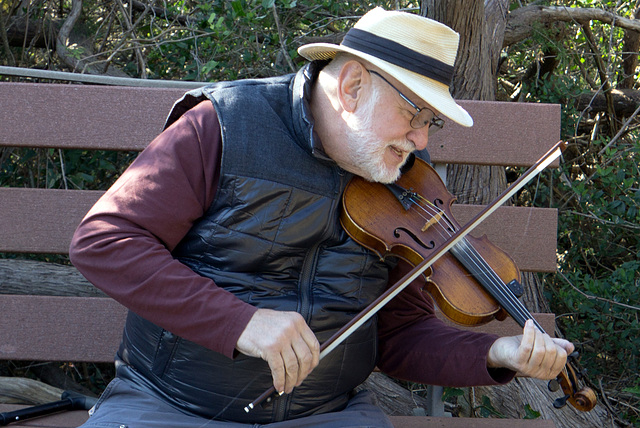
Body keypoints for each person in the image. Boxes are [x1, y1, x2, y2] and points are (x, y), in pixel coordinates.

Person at [69, 7, 573, 428]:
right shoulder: (224, 124)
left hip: (327, 414)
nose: (422, 140)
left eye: (430, 121)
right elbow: (105, 241)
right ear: (353, 86)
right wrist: (240, 322)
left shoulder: (405, 184)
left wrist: (496, 353)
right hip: (172, 405)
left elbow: (395, 335)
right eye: (415, 114)